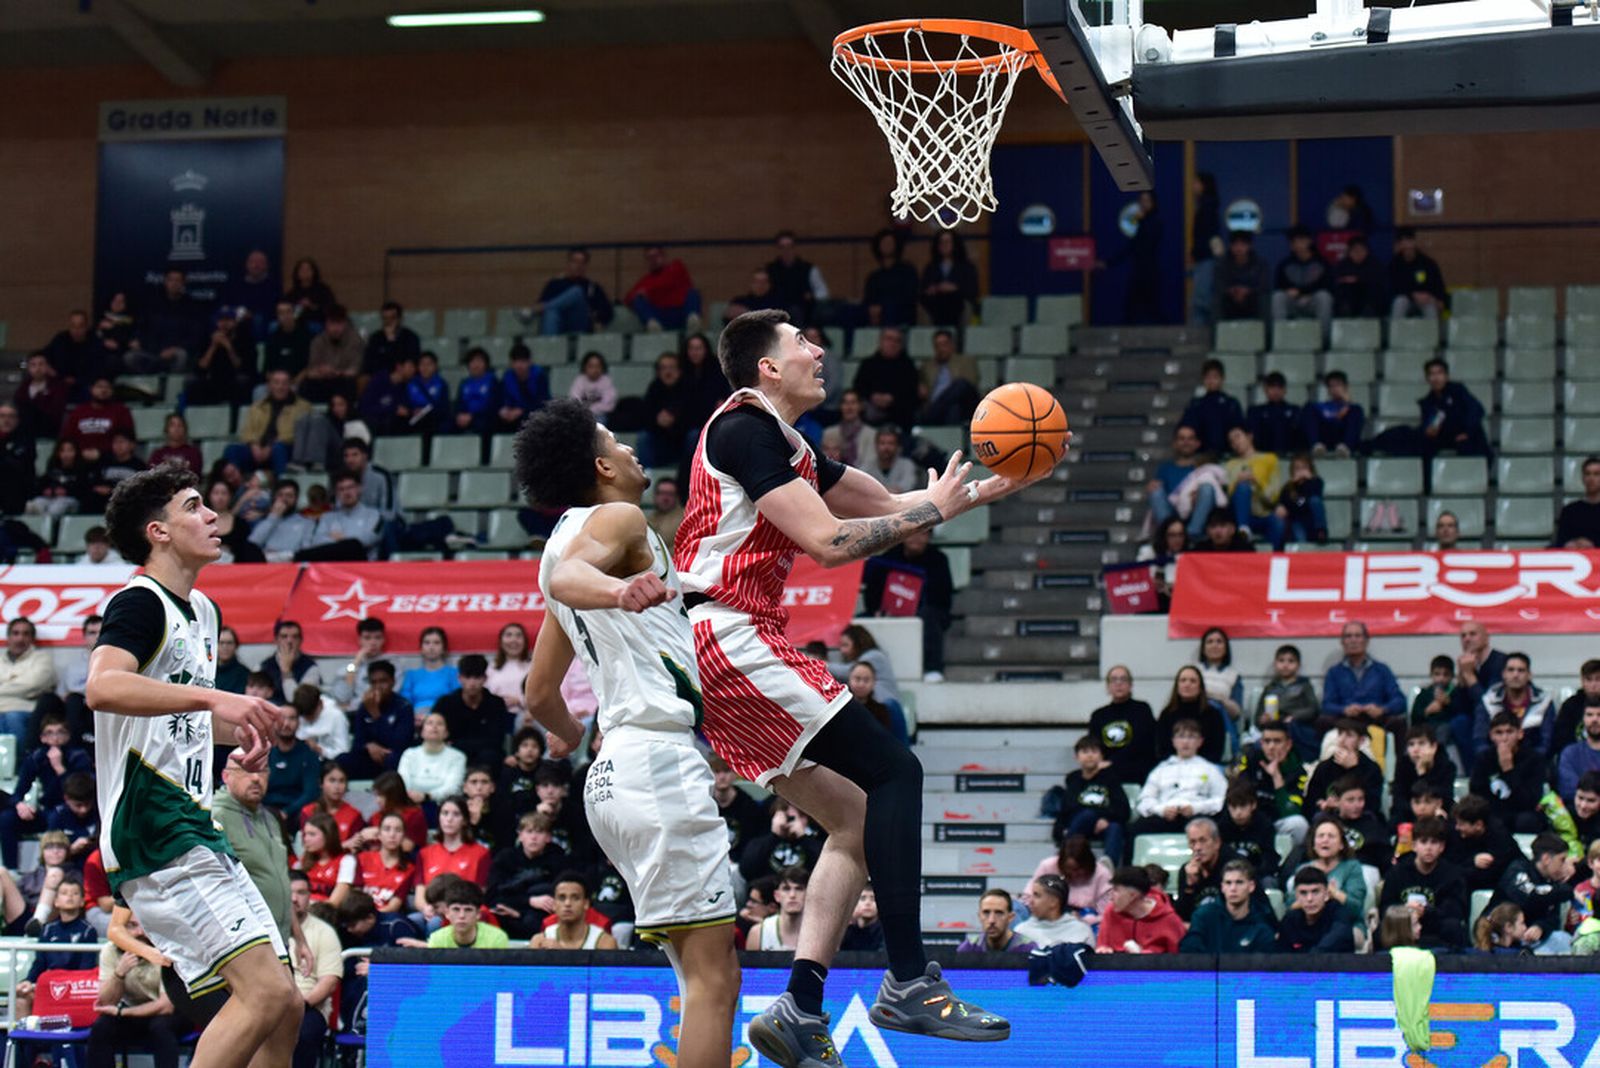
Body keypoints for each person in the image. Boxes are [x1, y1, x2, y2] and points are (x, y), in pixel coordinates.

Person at [674, 310, 1032, 1056]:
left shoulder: (789, 444)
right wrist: (932, 509)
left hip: (726, 644)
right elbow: (830, 542)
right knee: (897, 769)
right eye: (801, 341)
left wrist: (973, 493)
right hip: (729, 636)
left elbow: (889, 507)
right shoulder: (743, 429)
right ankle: (908, 981)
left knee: (858, 818)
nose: (817, 351)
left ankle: (800, 1007)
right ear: (767, 366)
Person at [515, 399, 741, 1068]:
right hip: (657, 764)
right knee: (715, 980)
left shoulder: (555, 549)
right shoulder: (619, 518)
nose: (632, 450)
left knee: (695, 978)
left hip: (614, 774)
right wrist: (620, 593)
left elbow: (538, 694)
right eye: (616, 441)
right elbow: (575, 577)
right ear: (601, 467)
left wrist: (571, 735)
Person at [87, 463, 300, 1064]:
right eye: (193, 505)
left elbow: (179, 713)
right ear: (158, 531)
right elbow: (103, 687)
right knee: (263, 995)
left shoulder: (202, 610)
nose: (211, 515)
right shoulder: (139, 602)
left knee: (286, 1002)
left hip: (192, 821)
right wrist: (213, 699)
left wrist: (240, 731)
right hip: (152, 824)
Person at [88, 910, 186, 1068]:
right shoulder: (110, 950)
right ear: (121, 931)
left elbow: (165, 1006)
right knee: (102, 1027)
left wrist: (121, 1012)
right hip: (134, 1011)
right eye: (132, 926)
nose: (140, 932)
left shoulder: (166, 950)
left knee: (160, 1027)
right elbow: (106, 1002)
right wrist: (119, 974)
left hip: (173, 1012)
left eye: (144, 926)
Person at [1379, 817, 1468, 949]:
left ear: (1442, 847)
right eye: (1423, 842)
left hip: (1435, 927)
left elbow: (1455, 911)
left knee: (1453, 927)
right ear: (1414, 846)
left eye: (1434, 842)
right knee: (1380, 930)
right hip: (1404, 926)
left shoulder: (1452, 875)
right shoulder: (1397, 872)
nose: (1428, 848)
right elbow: (1385, 907)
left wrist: (1426, 911)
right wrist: (1404, 910)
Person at [1129, 720, 1225, 836]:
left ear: (1200, 741)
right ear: (1173, 741)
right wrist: (1162, 809)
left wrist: (1196, 808)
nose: (1185, 742)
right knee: (1135, 829)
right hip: (1166, 815)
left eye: (1191, 737)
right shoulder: (1161, 769)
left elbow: (1221, 798)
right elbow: (1146, 799)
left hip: (1197, 815)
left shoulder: (1210, 769)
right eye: (1181, 736)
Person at [1487, 833, 1577, 955]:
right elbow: (1529, 897)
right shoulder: (1518, 869)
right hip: (1500, 937)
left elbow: (1553, 918)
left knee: (1562, 939)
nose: (1565, 866)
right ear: (1546, 859)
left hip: (1531, 941)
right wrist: (1566, 890)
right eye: (1562, 860)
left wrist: (1540, 927)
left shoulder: (1552, 882)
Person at [486, 811, 566, 939]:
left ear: (548, 837)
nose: (533, 837)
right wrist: (529, 901)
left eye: (539, 832)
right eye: (529, 832)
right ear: (520, 835)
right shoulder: (505, 858)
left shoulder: (558, 860)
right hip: (508, 914)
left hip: (542, 918)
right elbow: (493, 895)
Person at [1320, 622, 1406, 740]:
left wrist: (1382, 709)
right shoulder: (1334, 672)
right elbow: (1327, 705)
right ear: (1342, 642)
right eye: (1348, 636)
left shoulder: (1382, 670)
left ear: (1366, 641)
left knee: (1398, 723)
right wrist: (1344, 710)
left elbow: (1399, 700)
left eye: (1358, 636)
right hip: (1346, 720)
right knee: (1323, 721)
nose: (1353, 640)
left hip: (1376, 719)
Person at [1234, 720, 1310, 848]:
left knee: (1299, 824)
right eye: (1267, 741)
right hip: (1249, 819)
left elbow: (1291, 811)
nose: (1271, 747)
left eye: (1277, 741)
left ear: (1288, 744)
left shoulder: (1298, 771)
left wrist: (1277, 778)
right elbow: (1237, 792)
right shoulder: (1251, 759)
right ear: (1261, 743)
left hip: (1277, 822)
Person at [1052, 736, 1129, 862]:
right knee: (1088, 814)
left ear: (1102, 756)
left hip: (1102, 826)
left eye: (1094, 751)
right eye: (1085, 752)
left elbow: (1123, 808)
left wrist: (1106, 819)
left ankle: (1108, 866)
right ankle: (1064, 855)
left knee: (1115, 827)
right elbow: (1069, 808)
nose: (1090, 756)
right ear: (1077, 757)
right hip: (1079, 824)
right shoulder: (1073, 779)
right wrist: (1098, 815)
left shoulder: (1110, 778)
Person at [1470, 711, 1547, 833]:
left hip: (1520, 813)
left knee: (1528, 820)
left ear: (1520, 734)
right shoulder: (1483, 759)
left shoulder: (1534, 759)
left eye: (1509, 732)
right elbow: (1476, 795)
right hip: (1494, 813)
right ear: (1491, 735)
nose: (1504, 738)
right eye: (1499, 733)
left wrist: (1508, 770)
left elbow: (1531, 801)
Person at [1178, 859, 1276, 953]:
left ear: (1251, 886)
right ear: (1222, 887)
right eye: (1228, 883)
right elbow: (1189, 952)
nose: (1233, 888)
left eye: (1239, 882)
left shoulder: (1262, 922)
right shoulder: (1203, 916)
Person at [338, 660, 413, 779]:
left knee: (394, 759)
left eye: (383, 681)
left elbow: (399, 744)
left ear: (393, 681)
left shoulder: (404, 707)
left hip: (391, 759)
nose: (378, 687)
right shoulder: (365, 706)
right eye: (374, 682)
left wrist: (376, 715)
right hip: (369, 758)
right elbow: (357, 743)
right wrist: (368, 746)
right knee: (342, 759)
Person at [432, 656, 509, 769]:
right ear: (460, 678)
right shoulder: (445, 703)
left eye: (477, 677)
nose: (472, 683)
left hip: (488, 759)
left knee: (491, 756)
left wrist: (457, 744)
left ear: (485, 678)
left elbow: (496, 740)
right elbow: (440, 738)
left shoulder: (496, 703)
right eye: (467, 677)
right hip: (453, 756)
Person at [1086, 666, 1158, 785]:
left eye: (1123, 679)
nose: (1118, 683)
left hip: (1137, 771)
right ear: (1108, 686)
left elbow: (1142, 743)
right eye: (1114, 679)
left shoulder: (1142, 710)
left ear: (1130, 685)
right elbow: (1094, 745)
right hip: (1107, 772)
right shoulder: (1098, 715)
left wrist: (1113, 762)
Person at [1474, 653, 1555, 758]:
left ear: (1529, 675)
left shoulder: (1544, 701)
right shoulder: (1489, 700)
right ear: (1503, 674)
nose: (1515, 675)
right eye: (1511, 670)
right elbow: (1480, 739)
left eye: (1521, 670)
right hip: (1495, 760)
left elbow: (1546, 743)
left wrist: (1525, 762)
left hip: (1533, 761)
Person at [1095, 865, 1186, 954]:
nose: (1111, 897)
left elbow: (1180, 959)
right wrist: (1103, 950)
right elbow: (1102, 945)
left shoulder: (1169, 920)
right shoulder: (1111, 912)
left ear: (1132, 895)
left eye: (1116, 890)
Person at [1302, 719, 1384, 817]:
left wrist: (1353, 769)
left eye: (1349, 735)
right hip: (1329, 818)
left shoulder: (1371, 768)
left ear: (1361, 740)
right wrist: (1322, 804)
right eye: (1340, 734)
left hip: (1361, 818)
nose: (1341, 740)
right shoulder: (1325, 767)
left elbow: (1373, 805)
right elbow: (1310, 802)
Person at [1416, 358, 1491, 460]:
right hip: (1445, 437)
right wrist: (1428, 430)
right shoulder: (1427, 402)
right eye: (1432, 374)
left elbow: (1477, 409)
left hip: (1466, 434)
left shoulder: (1458, 391)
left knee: (1469, 444)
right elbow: (1428, 425)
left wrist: (1467, 432)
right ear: (1427, 378)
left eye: (1439, 373)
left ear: (1446, 376)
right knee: (1422, 444)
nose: (1436, 378)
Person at [1296, 814, 1368, 918]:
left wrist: (1333, 892)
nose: (1325, 840)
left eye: (1331, 836)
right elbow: (1291, 907)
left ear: (1341, 845)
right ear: (1314, 844)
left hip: (1347, 922)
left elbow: (1356, 908)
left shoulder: (1352, 867)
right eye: (1321, 836)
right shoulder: (1303, 870)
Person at [0, 617, 59, 741]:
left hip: (23, 710)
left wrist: (3, 684)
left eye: (26, 634)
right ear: (8, 637)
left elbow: (33, 685)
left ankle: (22, 755)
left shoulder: (42, 658)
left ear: (32, 639)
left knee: (13, 718)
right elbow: (26, 686)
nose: (20, 639)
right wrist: (17, 683)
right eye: (15, 633)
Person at [1154, 666, 1228, 764]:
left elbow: (1216, 751)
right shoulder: (1166, 714)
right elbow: (1161, 749)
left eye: (1193, 681)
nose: (1187, 684)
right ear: (1177, 686)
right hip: (1172, 766)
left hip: (1205, 766)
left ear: (1200, 687)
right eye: (1183, 680)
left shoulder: (1213, 714)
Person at [853, 326, 919, 434]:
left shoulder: (908, 366)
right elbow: (858, 388)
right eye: (889, 339)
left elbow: (912, 392)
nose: (893, 344)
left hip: (899, 415)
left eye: (897, 340)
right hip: (870, 412)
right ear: (881, 341)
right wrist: (873, 397)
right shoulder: (868, 364)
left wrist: (892, 399)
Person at [530, 871, 621, 950]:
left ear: (586, 904)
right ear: (554, 904)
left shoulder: (604, 943)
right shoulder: (539, 941)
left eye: (575, 898)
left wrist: (561, 955)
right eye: (562, 898)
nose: (567, 903)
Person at [1256, 644, 1320, 754]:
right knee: (1256, 747)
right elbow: (1258, 717)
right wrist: (1262, 720)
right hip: (1273, 729)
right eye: (1281, 661)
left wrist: (1294, 717)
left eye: (1291, 661)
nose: (1285, 665)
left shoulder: (1304, 685)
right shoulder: (1270, 688)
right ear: (1275, 664)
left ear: (1298, 665)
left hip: (1297, 727)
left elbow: (1313, 709)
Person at [533, 247, 613, 335]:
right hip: (559, 322)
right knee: (551, 313)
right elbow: (540, 304)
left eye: (582, 263)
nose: (578, 266)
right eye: (575, 262)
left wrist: (595, 315)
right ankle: (550, 343)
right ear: (568, 264)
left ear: (586, 266)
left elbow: (607, 311)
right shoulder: (555, 284)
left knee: (577, 292)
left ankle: (545, 308)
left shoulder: (592, 287)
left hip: (579, 323)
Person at [1270, 225, 1333, 336]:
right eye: (1294, 242)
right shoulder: (1285, 265)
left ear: (1309, 241)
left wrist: (1305, 293)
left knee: (1324, 297)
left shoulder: (1322, 263)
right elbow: (1279, 286)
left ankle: (1324, 339)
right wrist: (1288, 292)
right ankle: (1280, 337)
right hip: (1293, 303)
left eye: (1301, 240)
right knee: (1278, 297)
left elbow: (1328, 286)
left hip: (1312, 302)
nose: (1298, 244)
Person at [1276, 865, 1355, 952]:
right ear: (1296, 896)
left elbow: (1333, 943)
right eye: (1303, 893)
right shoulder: (1290, 919)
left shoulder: (1340, 914)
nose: (1309, 899)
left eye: (1315, 892)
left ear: (1327, 894)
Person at [1392, 724, 1457, 828]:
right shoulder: (1403, 765)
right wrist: (1417, 809)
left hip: (1437, 811)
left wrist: (1423, 774)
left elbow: (1446, 796)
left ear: (1433, 746)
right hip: (1409, 813)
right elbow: (1398, 797)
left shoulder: (1446, 766)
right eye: (1411, 744)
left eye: (1421, 743)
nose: (1415, 749)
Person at [625, 245, 702, 332]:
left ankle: (693, 321)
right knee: (638, 300)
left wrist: (647, 291)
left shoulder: (676, 267)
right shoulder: (645, 280)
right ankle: (653, 325)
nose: (654, 260)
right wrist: (642, 294)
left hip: (681, 312)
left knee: (693, 293)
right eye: (650, 258)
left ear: (663, 256)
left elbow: (667, 282)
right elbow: (628, 298)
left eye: (656, 256)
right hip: (661, 317)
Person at [397, 713, 467, 807]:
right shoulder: (409, 754)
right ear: (422, 732)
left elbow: (453, 787)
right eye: (430, 723)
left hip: (443, 805)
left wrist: (427, 796)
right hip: (411, 803)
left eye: (440, 724)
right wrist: (412, 796)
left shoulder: (457, 757)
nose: (434, 726)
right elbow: (402, 782)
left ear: (446, 733)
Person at [1179, 359, 1246, 458]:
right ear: (1203, 379)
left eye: (1215, 377)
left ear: (1222, 379)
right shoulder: (1195, 404)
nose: (1211, 381)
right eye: (1208, 377)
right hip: (1200, 456)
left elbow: (1239, 432)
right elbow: (1186, 430)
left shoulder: (1231, 404)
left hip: (1228, 456)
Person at [263, 705, 321, 816]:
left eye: (292, 718)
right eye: (281, 718)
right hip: (264, 811)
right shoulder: (264, 752)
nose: (286, 723)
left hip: (297, 812)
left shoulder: (308, 754)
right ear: (273, 722)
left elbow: (310, 793)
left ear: (299, 723)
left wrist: (286, 812)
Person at [1218, 782, 1281, 880]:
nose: (1238, 812)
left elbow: (1269, 859)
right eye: (1233, 807)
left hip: (1258, 876)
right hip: (1228, 877)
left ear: (1253, 805)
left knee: (1269, 881)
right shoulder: (1221, 827)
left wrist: (1253, 877)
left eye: (1243, 806)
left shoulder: (1265, 826)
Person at [300, 305, 362, 403]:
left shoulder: (355, 341)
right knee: (307, 384)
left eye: (339, 323)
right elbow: (311, 372)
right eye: (332, 323)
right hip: (323, 381)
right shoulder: (318, 341)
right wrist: (321, 371)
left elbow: (355, 370)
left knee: (349, 384)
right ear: (326, 324)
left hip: (343, 381)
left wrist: (336, 372)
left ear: (345, 323)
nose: (335, 328)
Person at [426, 878, 510, 949]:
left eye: (468, 910)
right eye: (456, 909)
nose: (462, 916)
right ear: (447, 913)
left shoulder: (496, 938)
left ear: (478, 914)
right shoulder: (437, 940)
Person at [1014, 874, 1094, 948]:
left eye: (1037, 895)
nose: (1030, 901)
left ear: (1054, 902)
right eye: (1031, 895)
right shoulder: (1021, 932)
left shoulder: (1082, 931)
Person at [862, 228, 920, 328]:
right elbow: (868, 299)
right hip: (876, 316)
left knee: (890, 309)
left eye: (890, 243)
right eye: (884, 243)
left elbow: (910, 297)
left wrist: (883, 308)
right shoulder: (874, 276)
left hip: (901, 314)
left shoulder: (907, 271)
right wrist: (872, 309)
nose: (887, 246)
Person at [295, 812, 355, 906]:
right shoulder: (302, 861)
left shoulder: (346, 861)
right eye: (305, 834)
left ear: (328, 835)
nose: (306, 839)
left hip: (324, 912)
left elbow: (334, 903)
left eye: (312, 834)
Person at [1302, 370, 1365, 458]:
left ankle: (1346, 447)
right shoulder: (1321, 407)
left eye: (1338, 385)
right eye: (1331, 386)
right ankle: (1316, 446)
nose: (1335, 389)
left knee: (1356, 410)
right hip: (1325, 437)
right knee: (1309, 408)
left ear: (1345, 387)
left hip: (1342, 437)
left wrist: (1347, 404)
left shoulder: (1354, 408)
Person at [1389, 227, 1448, 319]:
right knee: (1399, 302)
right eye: (1403, 242)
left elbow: (1438, 284)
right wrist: (1413, 295)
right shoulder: (1394, 265)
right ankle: (1396, 328)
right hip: (1406, 299)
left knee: (1430, 306)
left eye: (1409, 241)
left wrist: (1439, 299)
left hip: (1425, 299)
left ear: (1414, 242)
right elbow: (1394, 287)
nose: (1407, 245)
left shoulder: (1428, 263)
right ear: (1399, 245)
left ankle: (1432, 329)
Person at [745, 866, 808, 953]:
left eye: (799, 889)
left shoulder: (820, 933)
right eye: (786, 889)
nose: (792, 895)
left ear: (808, 894)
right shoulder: (758, 933)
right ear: (777, 896)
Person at [258, 620, 322, 705]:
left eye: (295, 637)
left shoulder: (311, 668)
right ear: (276, 640)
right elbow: (255, 698)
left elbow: (299, 702)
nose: (289, 641)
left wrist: (286, 671)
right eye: (284, 636)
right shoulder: (263, 666)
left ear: (301, 640)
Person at [1213, 231, 1270, 322]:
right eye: (1235, 245)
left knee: (1263, 298)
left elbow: (1264, 285)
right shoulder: (1222, 264)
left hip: (1252, 299)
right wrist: (1232, 291)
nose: (1239, 248)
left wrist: (1248, 291)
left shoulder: (1260, 263)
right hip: (1230, 299)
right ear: (1231, 246)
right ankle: (1217, 330)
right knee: (1216, 299)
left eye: (1243, 245)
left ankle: (1265, 330)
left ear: (1249, 246)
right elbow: (1219, 285)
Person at [1196, 626, 1245, 734]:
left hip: (1222, 721)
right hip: (1196, 720)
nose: (1214, 645)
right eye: (1210, 642)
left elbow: (1236, 713)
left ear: (1226, 648)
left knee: (1216, 707)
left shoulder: (1234, 676)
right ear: (1203, 648)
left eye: (1219, 642)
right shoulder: (1194, 671)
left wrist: (1220, 700)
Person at [398, 627, 455, 717]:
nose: (431, 647)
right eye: (427, 643)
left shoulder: (454, 674)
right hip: (416, 719)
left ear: (444, 648)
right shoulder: (411, 675)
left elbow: (456, 702)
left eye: (436, 643)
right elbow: (405, 703)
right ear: (421, 648)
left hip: (445, 718)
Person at [956, 889, 1035, 954]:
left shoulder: (1028, 949)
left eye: (999, 913)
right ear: (979, 916)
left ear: (1010, 917)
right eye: (986, 913)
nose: (992, 920)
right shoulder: (968, 949)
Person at [1246, 372, 1305, 456]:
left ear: (1285, 390)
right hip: (1262, 457)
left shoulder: (1295, 411)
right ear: (1265, 389)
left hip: (1289, 457)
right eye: (1272, 387)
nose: (1276, 391)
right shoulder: (1255, 412)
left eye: (1279, 387)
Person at [1330, 235, 1387, 319]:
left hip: (1369, 302)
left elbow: (1380, 285)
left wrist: (1358, 280)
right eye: (1355, 251)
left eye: (1361, 250)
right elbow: (1335, 283)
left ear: (1367, 251)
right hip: (1348, 302)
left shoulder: (1375, 265)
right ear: (1349, 252)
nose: (1358, 253)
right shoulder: (1341, 266)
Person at [1557, 705, 1600, 805]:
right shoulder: (1570, 753)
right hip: (1577, 809)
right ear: (1583, 719)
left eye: (1599, 715)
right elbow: (1568, 790)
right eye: (1589, 714)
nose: (1594, 719)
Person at [1556, 456, 1600, 548]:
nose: (1591, 478)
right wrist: (1569, 544)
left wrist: (1593, 546)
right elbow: (1558, 543)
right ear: (1583, 478)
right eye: (1588, 474)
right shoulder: (1570, 511)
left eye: (1596, 474)